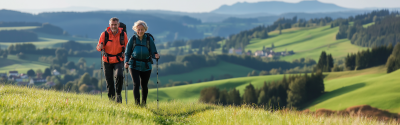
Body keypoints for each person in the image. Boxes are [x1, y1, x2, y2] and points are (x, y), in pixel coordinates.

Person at [124, 20, 159, 106]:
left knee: (144, 85)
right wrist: (126, 62)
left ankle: (144, 103)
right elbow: (127, 53)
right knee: (136, 84)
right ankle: (137, 104)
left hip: (146, 65)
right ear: (135, 29)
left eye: (142, 29)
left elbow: (154, 52)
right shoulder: (132, 39)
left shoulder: (149, 39)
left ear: (145, 29)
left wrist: (156, 56)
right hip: (133, 64)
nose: (140, 31)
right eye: (138, 29)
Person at [96, 17, 128, 103]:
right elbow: (98, 47)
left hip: (119, 60)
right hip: (107, 61)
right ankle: (111, 100)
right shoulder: (104, 34)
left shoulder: (123, 34)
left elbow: (127, 46)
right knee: (109, 81)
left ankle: (118, 94)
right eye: (112, 24)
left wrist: (126, 53)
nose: (113, 26)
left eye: (115, 24)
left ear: (118, 25)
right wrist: (100, 47)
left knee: (119, 76)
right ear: (109, 25)